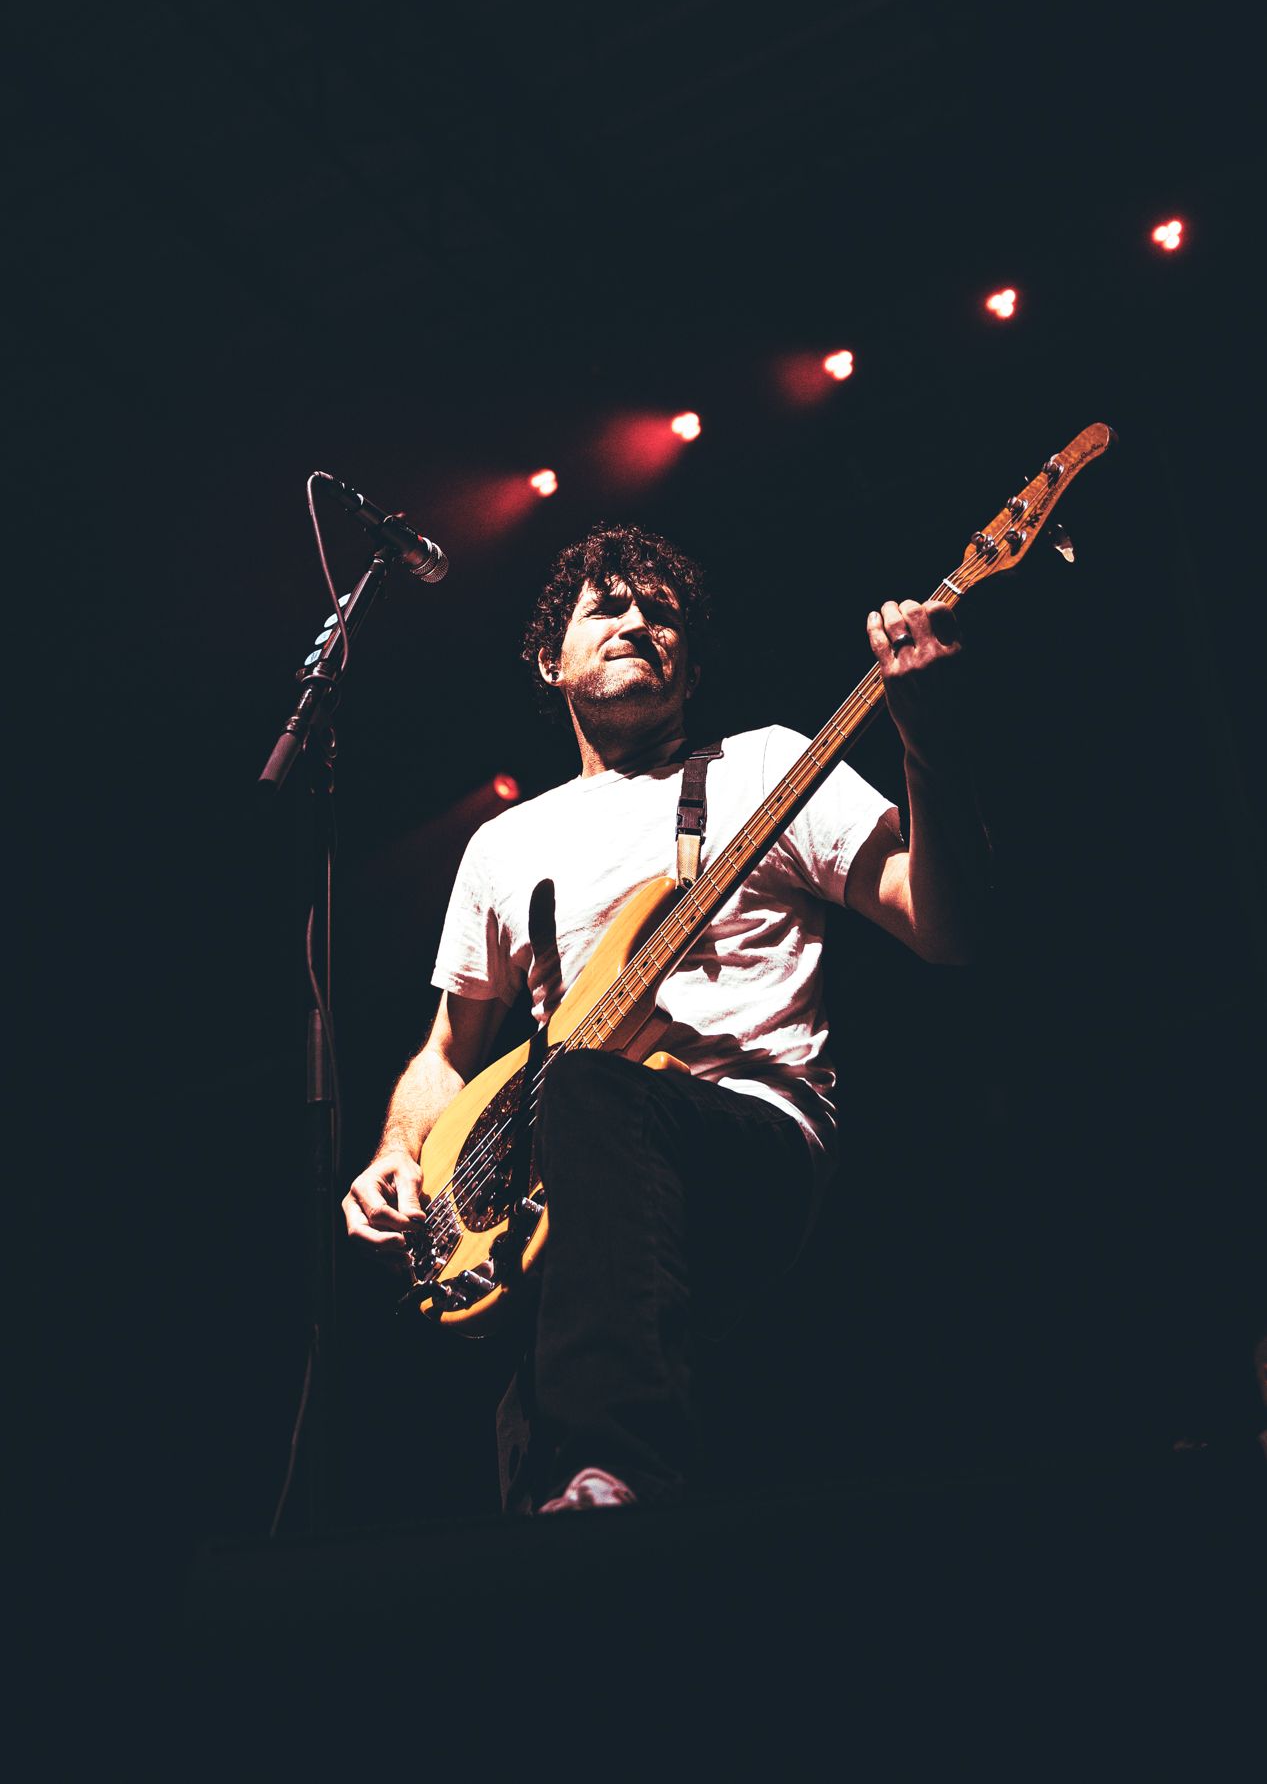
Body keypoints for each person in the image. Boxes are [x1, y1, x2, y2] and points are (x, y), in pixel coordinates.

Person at [342, 524, 990, 1512]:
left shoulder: (764, 765)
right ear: (548, 660)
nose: (639, 621)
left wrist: (929, 745)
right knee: (527, 1489)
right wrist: (397, 1150)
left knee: (593, 1087)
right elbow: (447, 1049)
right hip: (560, 1206)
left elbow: (948, 930)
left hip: (743, 1135)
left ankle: (619, 1462)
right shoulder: (502, 844)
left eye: (664, 613)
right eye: (609, 606)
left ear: (690, 666)